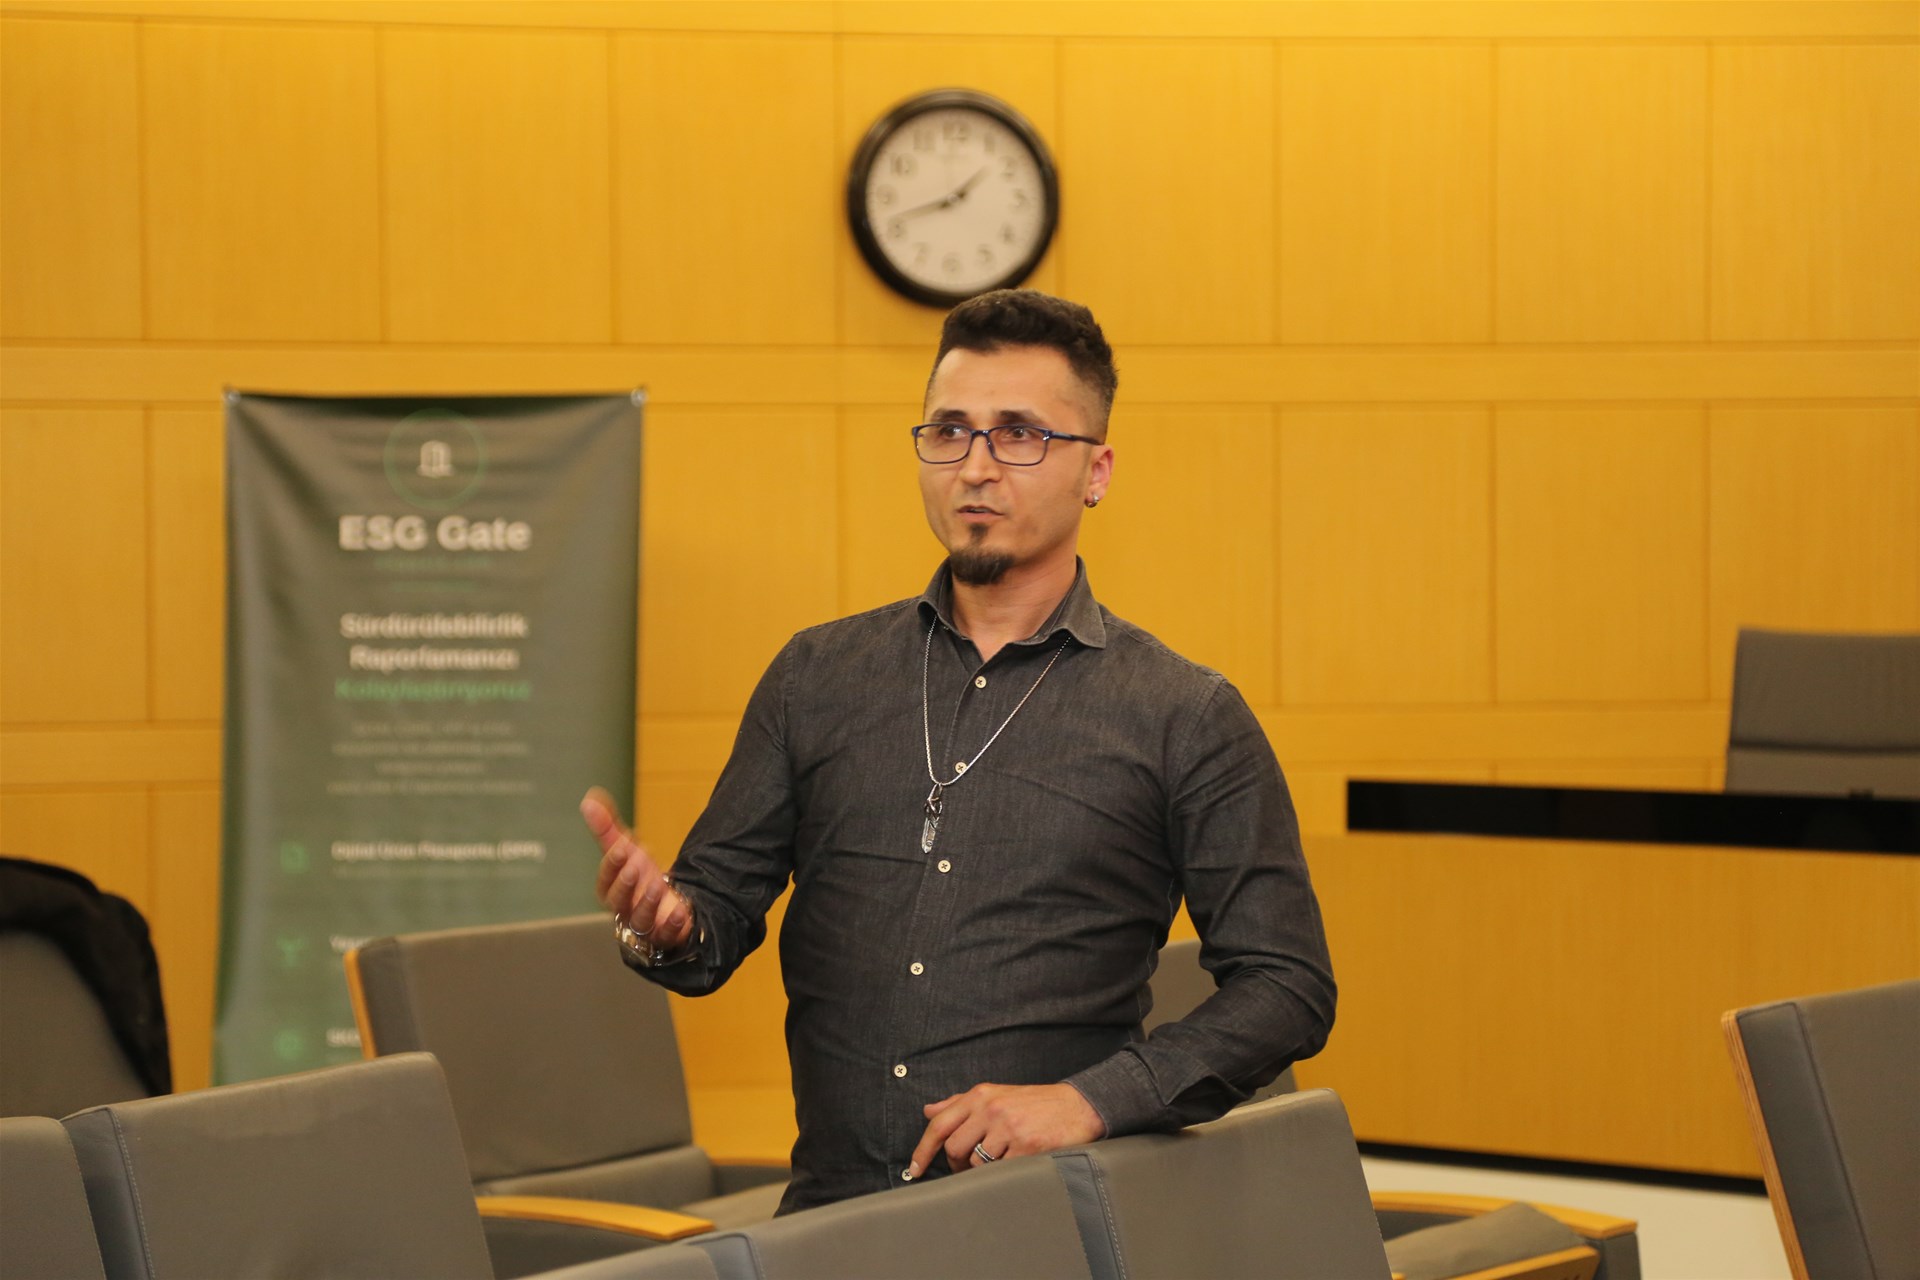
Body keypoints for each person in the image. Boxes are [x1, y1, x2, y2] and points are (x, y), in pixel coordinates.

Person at [582, 289, 1334, 1214]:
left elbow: (1286, 986)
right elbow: (711, 923)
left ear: (1095, 471)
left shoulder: (1184, 714)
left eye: (1019, 435)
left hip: (1048, 1224)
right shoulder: (817, 676)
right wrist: (667, 925)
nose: (975, 467)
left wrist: (1089, 1101)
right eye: (949, 432)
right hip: (829, 1224)